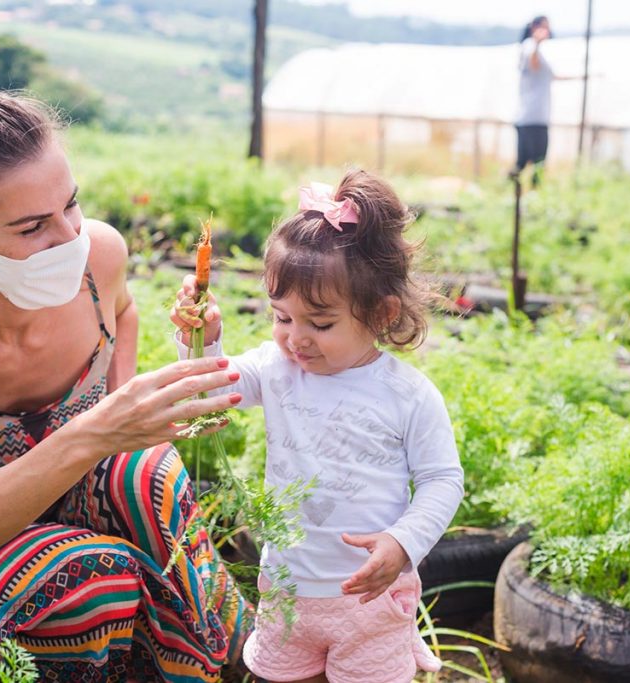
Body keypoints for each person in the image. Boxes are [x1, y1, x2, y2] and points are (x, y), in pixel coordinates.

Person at [0, 90, 251, 682]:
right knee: (87, 579)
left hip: (69, 515)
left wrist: (135, 398)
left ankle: (204, 666)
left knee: (149, 474)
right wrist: (97, 431)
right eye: (33, 227)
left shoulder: (100, 257)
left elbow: (124, 311)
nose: (69, 238)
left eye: (71, 206)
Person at [171, 170, 465, 683]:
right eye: (281, 317)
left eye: (320, 323)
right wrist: (205, 336)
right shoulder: (276, 369)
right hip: (287, 590)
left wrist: (403, 543)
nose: (295, 339)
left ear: (380, 313)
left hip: (368, 599)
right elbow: (210, 388)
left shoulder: (408, 395)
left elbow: (443, 480)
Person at [512, 15, 555, 186]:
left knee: (527, 163)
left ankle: (519, 196)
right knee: (534, 163)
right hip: (531, 117)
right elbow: (534, 63)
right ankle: (526, 198)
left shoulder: (539, 50)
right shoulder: (530, 46)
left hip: (537, 117)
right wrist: (537, 42)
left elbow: (552, 76)